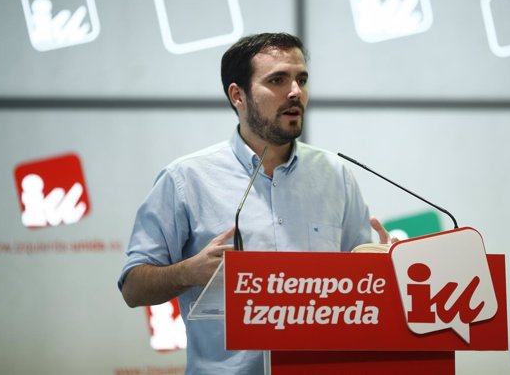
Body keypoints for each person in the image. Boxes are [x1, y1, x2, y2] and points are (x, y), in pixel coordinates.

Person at [118, 32, 392, 374]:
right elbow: (133, 286)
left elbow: (361, 281)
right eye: (277, 80)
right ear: (238, 95)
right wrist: (190, 271)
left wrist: (385, 269)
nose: (295, 92)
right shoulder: (186, 178)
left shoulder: (335, 174)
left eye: (301, 79)